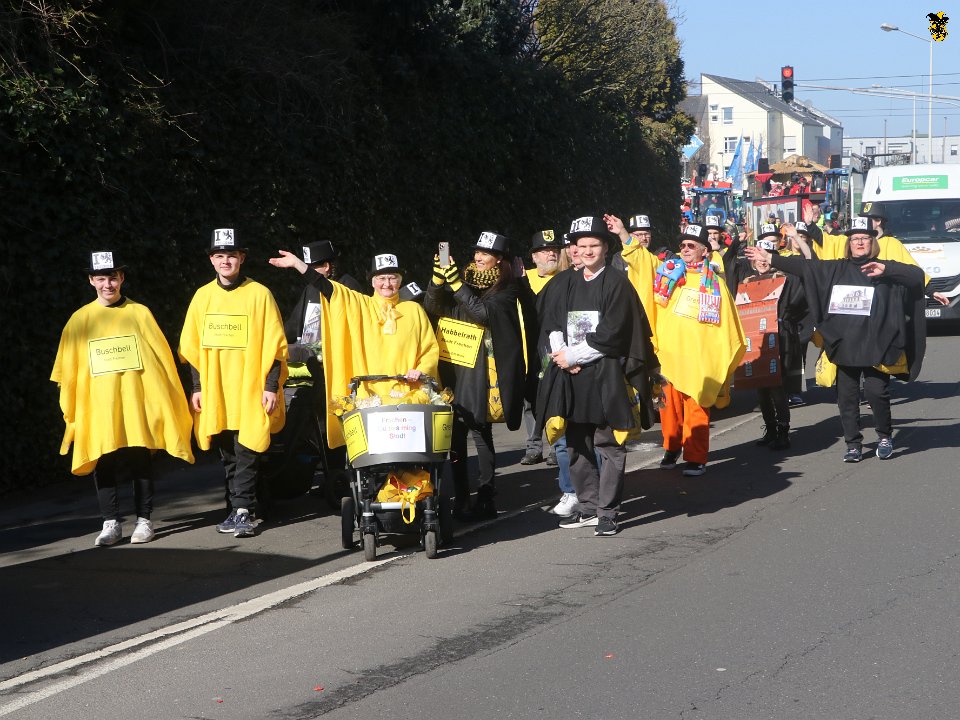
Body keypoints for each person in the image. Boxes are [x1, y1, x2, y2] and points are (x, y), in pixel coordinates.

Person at [745, 217, 926, 462]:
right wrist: (770, 257)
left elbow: (916, 276)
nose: (859, 243)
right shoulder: (837, 268)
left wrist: (888, 270)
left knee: (876, 393)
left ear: (872, 242)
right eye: (854, 239)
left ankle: (884, 436)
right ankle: (853, 444)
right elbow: (806, 267)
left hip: (877, 345)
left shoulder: (884, 268)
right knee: (847, 398)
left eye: (864, 238)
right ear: (848, 244)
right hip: (846, 345)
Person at [52, 251, 195, 546]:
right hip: (99, 405)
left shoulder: (139, 313)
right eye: (101, 278)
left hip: (135, 401)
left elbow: (161, 359)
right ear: (91, 281)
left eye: (113, 277)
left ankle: (144, 520)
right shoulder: (80, 320)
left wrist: (162, 396)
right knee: (103, 458)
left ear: (122, 278)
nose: (108, 284)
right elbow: (67, 369)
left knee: (139, 457)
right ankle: (111, 522)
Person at [536, 216, 656, 535]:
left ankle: (608, 512)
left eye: (594, 245)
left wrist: (574, 355)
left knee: (609, 444)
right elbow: (553, 321)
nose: (587, 251)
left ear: (605, 248)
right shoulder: (567, 282)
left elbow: (613, 332)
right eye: (582, 245)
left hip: (606, 374)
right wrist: (562, 355)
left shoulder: (617, 283)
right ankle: (588, 507)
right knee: (576, 444)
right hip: (572, 375)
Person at [267, 250, 439, 448]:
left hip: (408, 399)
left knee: (409, 455)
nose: (387, 283)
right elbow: (328, 287)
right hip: (370, 400)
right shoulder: (360, 304)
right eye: (381, 278)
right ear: (372, 282)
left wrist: (421, 370)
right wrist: (299, 264)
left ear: (400, 281)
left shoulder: (414, 310)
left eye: (393, 278)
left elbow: (429, 348)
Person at [179, 229, 288, 538]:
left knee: (247, 447)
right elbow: (192, 349)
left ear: (242, 258)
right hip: (218, 389)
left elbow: (275, 346)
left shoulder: (260, 295)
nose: (225, 261)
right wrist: (197, 388)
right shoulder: (202, 297)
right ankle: (241, 506)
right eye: (219, 255)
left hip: (251, 387)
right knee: (228, 451)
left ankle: (243, 511)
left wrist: (270, 386)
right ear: (212, 260)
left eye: (231, 255)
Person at [618, 222, 746, 476]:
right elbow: (643, 262)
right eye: (683, 245)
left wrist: (718, 358)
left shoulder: (716, 285)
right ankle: (672, 447)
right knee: (668, 410)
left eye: (691, 245)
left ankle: (696, 457)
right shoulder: (668, 273)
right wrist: (623, 234)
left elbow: (729, 325)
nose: (685, 249)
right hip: (668, 356)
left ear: (704, 251)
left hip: (698, 359)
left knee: (696, 408)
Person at [424, 232, 526, 519]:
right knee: (455, 434)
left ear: (499, 259)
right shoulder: (465, 281)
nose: (478, 258)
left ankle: (485, 494)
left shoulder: (507, 288)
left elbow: (481, 313)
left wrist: (456, 285)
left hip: (485, 369)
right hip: (456, 365)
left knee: (480, 430)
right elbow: (433, 307)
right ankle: (461, 497)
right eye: (477, 252)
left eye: (485, 253)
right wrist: (437, 281)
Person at [724, 225, 810, 449]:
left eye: (767, 256)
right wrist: (736, 242)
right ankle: (770, 428)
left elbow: (809, 267)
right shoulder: (746, 280)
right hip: (756, 340)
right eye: (759, 256)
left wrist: (797, 239)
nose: (762, 261)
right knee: (760, 387)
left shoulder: (787, 278)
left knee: (776, 388)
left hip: (780, 338)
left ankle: (783, 431)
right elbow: (728, 263)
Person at [518, 230, 575, 515]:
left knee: (554, 405)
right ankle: (533, 445)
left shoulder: (566, 278)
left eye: (554, 249)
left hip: (554, 353)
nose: (551, 254)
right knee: (531, 401)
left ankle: (555, 450)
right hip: (527, 350)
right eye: (544, 250)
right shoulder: (524, 279)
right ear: (534, 256)